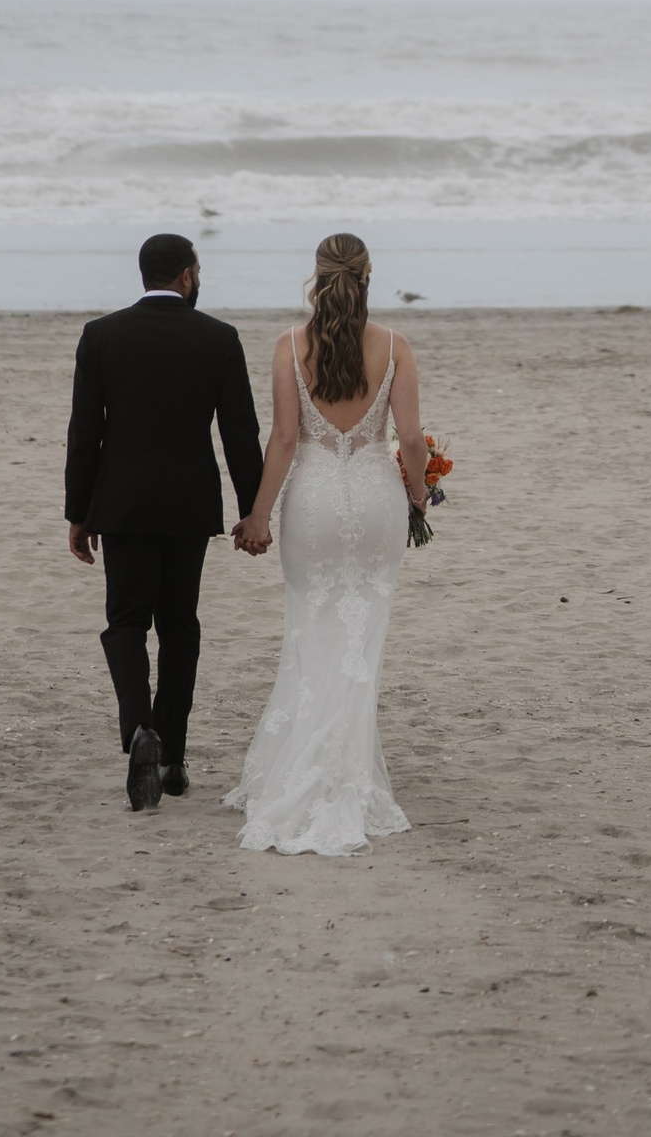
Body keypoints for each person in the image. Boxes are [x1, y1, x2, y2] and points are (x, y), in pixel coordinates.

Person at [223, 230, 430, 857]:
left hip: (311, 502)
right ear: (369, 274)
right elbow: (413, 440)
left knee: (310, 630)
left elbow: (284, 439)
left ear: (318, 275)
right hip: (374, 500)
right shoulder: (394, 346)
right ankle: (348, 776)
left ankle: (307, 768)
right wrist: (419, 498)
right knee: (361, 641)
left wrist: (259, 514)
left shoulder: (290, 346)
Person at [65, 231, 264, 811]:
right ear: (186, 276)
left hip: (121, 505)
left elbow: (84, 433)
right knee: (180, 626)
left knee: (125, 622)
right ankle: (173, 755)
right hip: (188, 506)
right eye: (197, 271)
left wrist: (79, 512)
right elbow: (239, 432)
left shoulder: (101, 336)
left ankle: (138, 730)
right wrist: (254, 508)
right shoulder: (219, 338)